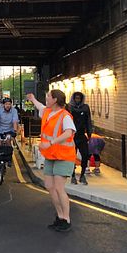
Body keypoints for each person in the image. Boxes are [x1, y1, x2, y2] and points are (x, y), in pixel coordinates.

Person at [27, 90, 76, 233]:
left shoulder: (65, 116)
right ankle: (60, 216)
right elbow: (40, 107)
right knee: (49, 185)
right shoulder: (48, 112)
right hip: (50, 156)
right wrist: (33, 99)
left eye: (48, 96)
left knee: (59, 188)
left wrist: (51, 142)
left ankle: (66, 219)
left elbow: (69, 132)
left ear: (54, 100)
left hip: (63, 156)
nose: (46, 98)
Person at [68, 91, 93, 185]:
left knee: (85, 155)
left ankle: (82, 175)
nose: (78, 100)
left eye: (79, 98)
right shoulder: (69, 107)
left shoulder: (85, 107)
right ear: (73, 99)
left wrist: (89, 133)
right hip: (72, 135)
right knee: (71, 156)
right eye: (76, 98)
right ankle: (73, 175)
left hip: (82, 135)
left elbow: (88, 120)